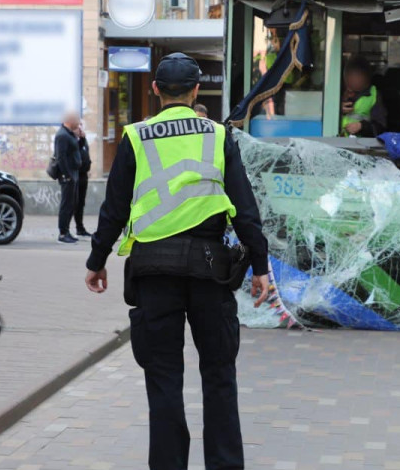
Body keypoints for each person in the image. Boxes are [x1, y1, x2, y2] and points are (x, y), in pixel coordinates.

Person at [84, 52, 271, 470]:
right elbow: (244, 207)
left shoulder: (135, 136)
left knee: (163, 378)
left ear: (155, 91)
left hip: (153, 272)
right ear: (196, 91)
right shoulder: (219, 136)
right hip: (210, 270)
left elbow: (113, 210)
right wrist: (260, 266)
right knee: (219, 376)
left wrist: (97, 261)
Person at [341, 55, 387, 137]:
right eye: (350, 76)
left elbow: (380, 128)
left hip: (361, 145)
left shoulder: (373, 95)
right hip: (337, 141)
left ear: (365, 77)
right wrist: (338, 110)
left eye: (356, 76)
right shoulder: (337, 91)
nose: (353, 81)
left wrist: (361, 126)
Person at [54, 111, 82, 244]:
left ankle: (67, 231)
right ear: (69, 120)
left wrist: (80, 138)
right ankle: (63, 233)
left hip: (73, 174)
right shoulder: (62, 135)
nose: (79, 122)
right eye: (76, 120)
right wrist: (67, 174)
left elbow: (75, 151)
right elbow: (61, 157)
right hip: (68, 176)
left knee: (72, 204)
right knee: (66, 205)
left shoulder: (70, 134)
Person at [74, 123, 92, 237]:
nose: (80, 129)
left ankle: (80, 228)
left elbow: (85, 154)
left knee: (81, 203)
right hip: (76, 175)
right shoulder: (71, 140)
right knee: (73, 204)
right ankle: (64, 231)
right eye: (77, 127)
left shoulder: (83, 140)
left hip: (84, 175)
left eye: (81, 127)